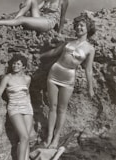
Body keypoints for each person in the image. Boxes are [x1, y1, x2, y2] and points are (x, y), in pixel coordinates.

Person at [40, 14, 96, 148]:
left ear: (88, 28)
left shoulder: (90, 48)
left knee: (62, 109)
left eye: (82, 25)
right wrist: (39, 55)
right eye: (77, 25)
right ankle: (48, 137)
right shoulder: (68, 42)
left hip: (69, 77)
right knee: (52, 107)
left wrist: (90, 88)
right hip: (54, 73)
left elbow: (88, 70)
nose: (78, 27)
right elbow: (54, 52)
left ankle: (56, 138)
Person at [0, 54, 33, 160]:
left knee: (26, 139)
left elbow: (27, 94)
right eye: (14, 63)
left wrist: (29, 107)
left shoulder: (27, 78)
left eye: (18, 64)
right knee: (24, 137)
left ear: (23, 66)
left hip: (27, 107)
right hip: (14, 107)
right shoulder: (7, 78)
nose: (15, 66)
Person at [0, 0, 69, 33]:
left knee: (22, 19)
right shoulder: (46, 0)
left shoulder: (64, 1)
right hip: (40, 19)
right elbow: (35, 8)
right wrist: (17, 10)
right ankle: (14, 20)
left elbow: (62, 18)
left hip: (48, 22)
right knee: (31, 0)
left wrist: (59, 34)